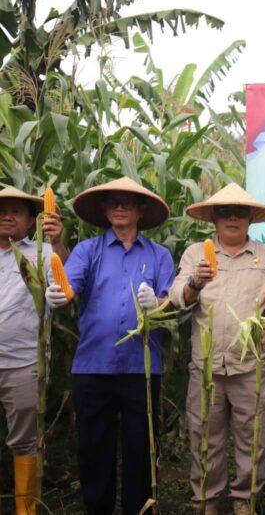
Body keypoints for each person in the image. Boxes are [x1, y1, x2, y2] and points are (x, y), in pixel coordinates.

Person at [45, 177, 174, 515]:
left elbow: (171, 302)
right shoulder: (89, 250)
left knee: (140, 450)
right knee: (94, 450)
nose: (119, 207)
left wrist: (156, 304)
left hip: (142, 368)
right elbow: (71, 285)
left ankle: (139, 509)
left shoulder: (159, 255)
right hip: (93, 366)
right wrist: (60, 294)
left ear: (140, 210)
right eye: (113, 202)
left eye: (127, 202)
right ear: (104, 209)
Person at [170, 183, 265, 515]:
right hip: (206, 365)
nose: (232, 217)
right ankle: (206, 498)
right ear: (214, 219)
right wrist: (195, 283)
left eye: (240, 212)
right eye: (224, 212)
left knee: (253, 436)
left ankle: (244, 498)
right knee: (204, 434)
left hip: (252, 365)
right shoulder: (195, 254)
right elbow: (178, 297)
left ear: (250, 219)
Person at [0, 186, 67, 514]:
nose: (6, 216)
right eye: (1, 210)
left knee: (24, 440)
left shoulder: (40, 252)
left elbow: (68, 281)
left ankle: (24, 509)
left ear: (30, 221)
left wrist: (55, 242)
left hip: (23, 362)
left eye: (16, 211)